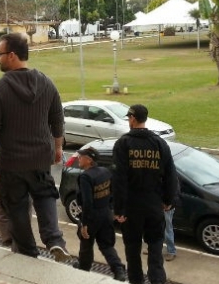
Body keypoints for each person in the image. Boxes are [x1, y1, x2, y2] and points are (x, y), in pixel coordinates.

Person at [0, 32, 70, 262]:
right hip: (41, 158)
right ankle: (55, 241)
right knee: (45, 194)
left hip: (12, 162)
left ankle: (28, 253)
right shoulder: (47, 82)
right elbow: (57, 118)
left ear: (11, 55)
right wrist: (58, 147)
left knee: (17, 207)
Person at [112, 104, 178, 284]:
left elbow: (119, 179)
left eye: (129, 118)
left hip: (132, 209)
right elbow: (171, 175)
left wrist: (119, 210)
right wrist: (168, 200)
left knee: (133, 252)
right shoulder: (159, 143)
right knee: (156, 251)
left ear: (133, 119)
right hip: (154, 206)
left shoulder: (123, 144)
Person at [73, 147, 126, 282]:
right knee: (107, 246)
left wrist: (84, 224)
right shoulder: (105, 172)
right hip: (106, 214)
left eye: (81, 157)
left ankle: (84, 269)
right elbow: (113, 192)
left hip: (92, 217)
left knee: (86, 245)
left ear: (89, 160)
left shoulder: (85, 177)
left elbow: (87, 202)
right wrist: (113, 210)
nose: (78, 158)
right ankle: (119, 270)